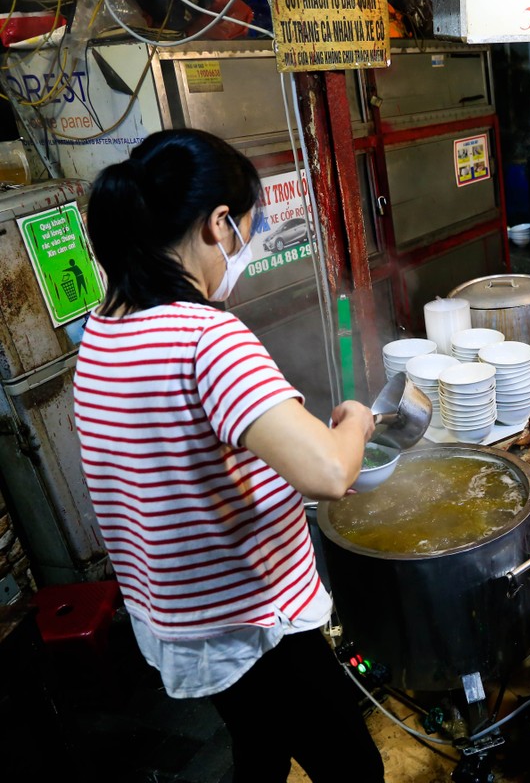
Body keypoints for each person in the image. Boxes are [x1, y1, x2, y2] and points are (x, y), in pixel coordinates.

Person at [73, 129, 385, 782]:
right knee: (353, 769)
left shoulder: (105, 330)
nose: (241, 246)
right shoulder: (205, 336)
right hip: (252, 623)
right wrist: (355, 422)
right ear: (219, 223)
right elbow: (330, 472)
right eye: (246, 225)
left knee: (260, 748)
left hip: (178, 620)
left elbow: (178, 467)